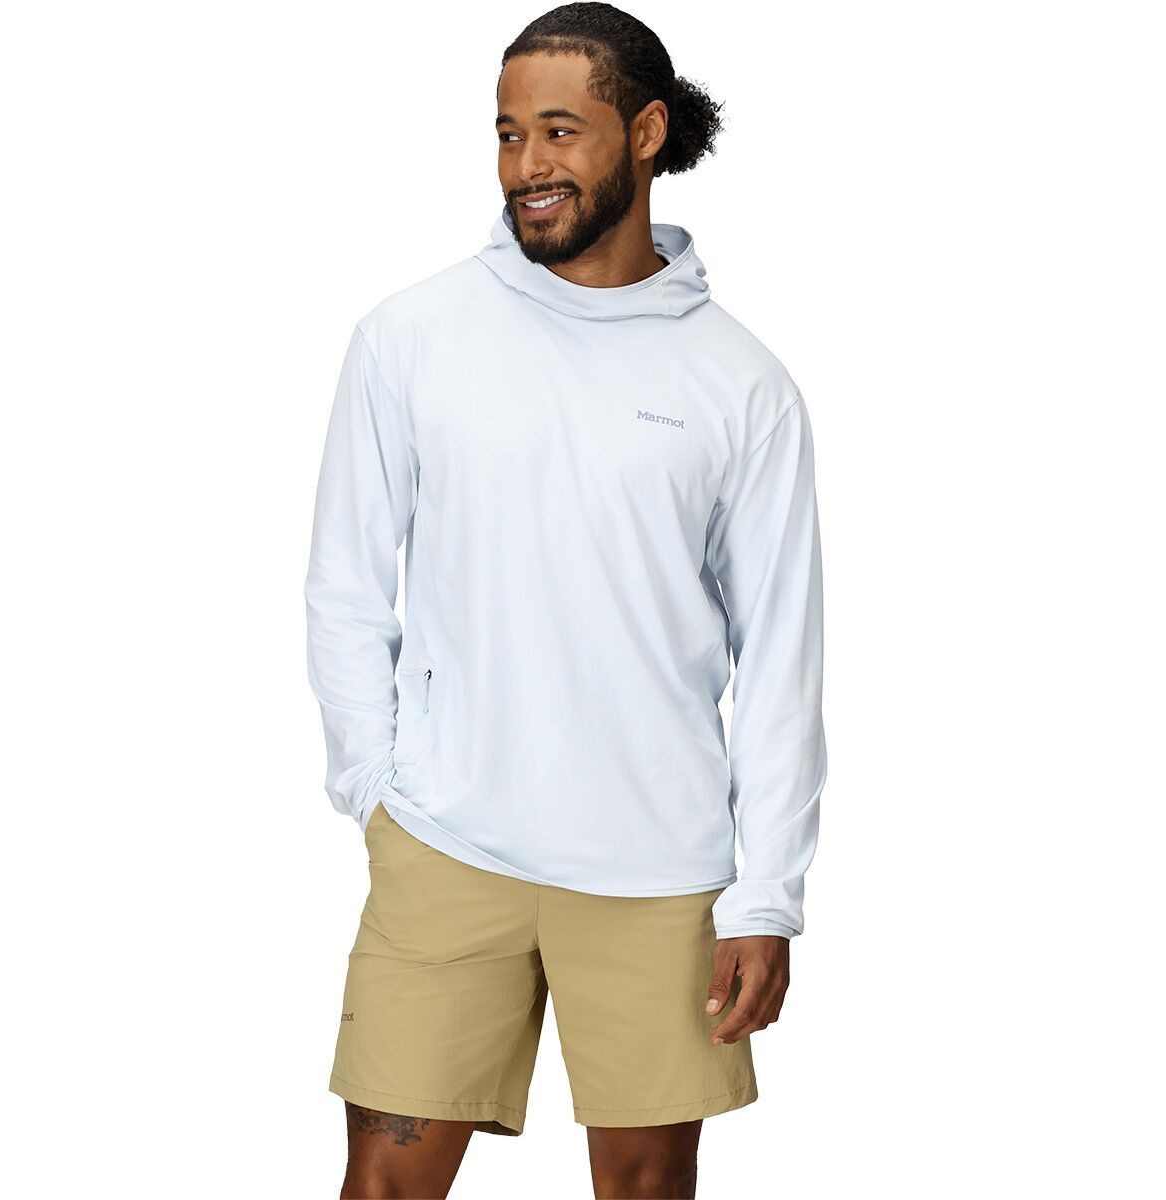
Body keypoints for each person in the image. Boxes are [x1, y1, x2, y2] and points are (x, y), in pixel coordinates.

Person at [303, 4, 827, 1196]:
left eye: (557, 130)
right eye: (506, 133)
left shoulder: (742, 385)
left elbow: (781, 658)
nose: (526, 165)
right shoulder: (411, 336)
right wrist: (374, 786)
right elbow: (345, 582)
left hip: (658, 868)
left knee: (644, 1189)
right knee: (384, 1185)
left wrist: (768, 896)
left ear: (645, 132)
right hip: (446, 844)